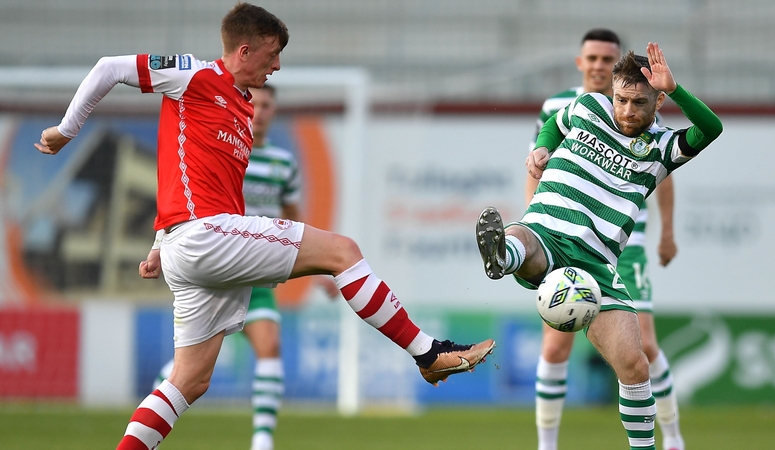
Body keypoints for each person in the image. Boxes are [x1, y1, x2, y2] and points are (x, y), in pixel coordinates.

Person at [34, 4, 495, 449]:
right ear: (245, 51)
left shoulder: (240, 107)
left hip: (190, 245)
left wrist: (159, 242)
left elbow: (183, 174)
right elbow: (109, 67)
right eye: (272, 55)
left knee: (189, 381)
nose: (277, 66)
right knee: (343, 252)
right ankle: (428, 353)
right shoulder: (194, 75)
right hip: (204, 237)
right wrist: (66, 130)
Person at [476, 42, 722, 450]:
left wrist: (676, 88)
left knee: (635, 364)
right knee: (522, 236)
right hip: (548, 229)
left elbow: (711, 129)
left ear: (658, 101)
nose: (627, 111)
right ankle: (503, 255)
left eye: (639, 102)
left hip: (597, 264)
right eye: (621, 99)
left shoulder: (662, 149)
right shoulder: (590, 107)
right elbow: (554, 123)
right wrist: (542, 147)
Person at [149, 83, 338, 450]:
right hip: (219, 267)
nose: (260, 112)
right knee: (188, 371)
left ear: (274, 111)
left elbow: (294, 220)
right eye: (256, 104)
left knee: (270, 345)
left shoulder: (283, 164)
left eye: (268, 105)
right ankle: (151, 419)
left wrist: (319, 268)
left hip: (257, 274)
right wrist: (159, 245)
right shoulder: (225, 151)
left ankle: (262, 441)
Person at [526, 30, 684, 450]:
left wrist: (667, 231)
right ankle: (546, 445)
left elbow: (665, 174)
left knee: (644, 345)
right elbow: (538, 163)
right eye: (592, 58)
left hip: (623, 242)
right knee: (555, 347)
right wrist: (535, 226)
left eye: (606, 58)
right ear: (580, 63)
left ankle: (672, 438)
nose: (598, 65)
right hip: (564, 233)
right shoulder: (560, 106)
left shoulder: (642, 110)